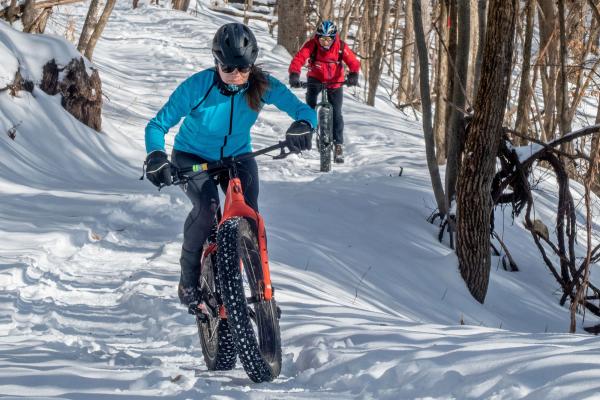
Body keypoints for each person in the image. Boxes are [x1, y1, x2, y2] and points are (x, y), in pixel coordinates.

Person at [144, 23, 316, 306]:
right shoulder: (198, 86)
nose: (236, 75)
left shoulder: (263, 85)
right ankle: (189, 277)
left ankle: (263, 293)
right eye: (228, 68)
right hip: (193, 158)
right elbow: (157, 126)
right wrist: (155, 156)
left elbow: (303, 110)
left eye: (244, 68)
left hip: (238, 157)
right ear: (216, 63)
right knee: (207, 207)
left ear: (252, 64)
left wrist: (304, 124)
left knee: (251, 215)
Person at [288, 20, 360, 164]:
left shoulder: (341, 47)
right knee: (309, 108)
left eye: (328, 39)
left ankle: (338, 144)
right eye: (322, 39)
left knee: (337, 113)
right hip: (315, 78)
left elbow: (353, 61)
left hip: (335, 81)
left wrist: (353, 74)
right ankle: (307, 132)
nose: (325, 43)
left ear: (334, 38)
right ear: (317, 37)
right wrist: (294, 74)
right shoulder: (312, 45)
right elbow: (299, 58)